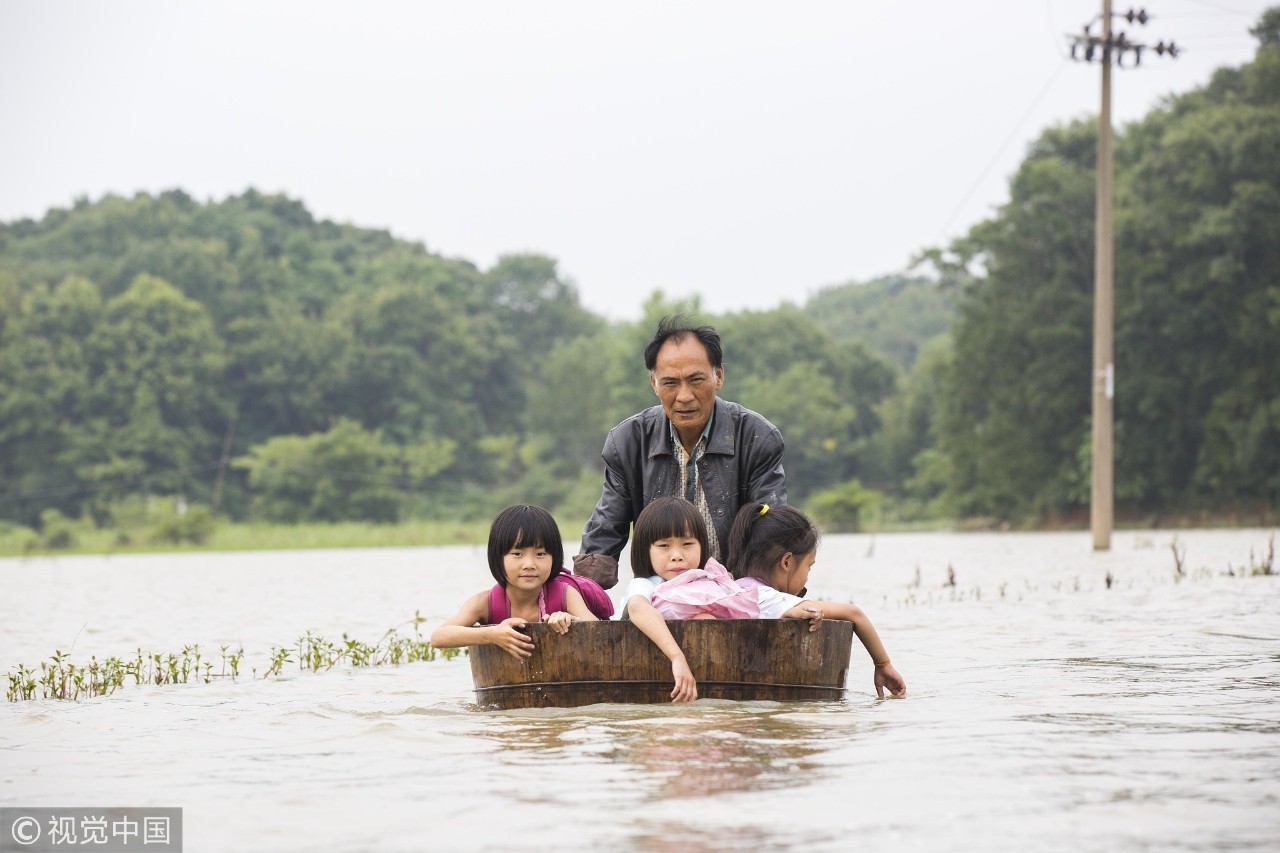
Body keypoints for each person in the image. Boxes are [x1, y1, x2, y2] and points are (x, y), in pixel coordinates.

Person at [575, 315, 787, 590]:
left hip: (736, 595)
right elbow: (602, 537)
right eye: (671, 383)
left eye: (696, 380)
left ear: (718, 376)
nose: (684, 396)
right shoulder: (628, 442)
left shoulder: (756, 438)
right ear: (654, 383)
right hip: (658, 597)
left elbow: (773, 538)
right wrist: (581, 601)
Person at [725, 501, 908, 699]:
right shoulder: (768, 598)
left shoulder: (732, 587)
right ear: (786, 562)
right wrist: (883, 665)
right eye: (809, 566)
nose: (807, 576)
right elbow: (853, 613)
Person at [613, 497, 746, 702]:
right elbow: (637, 607)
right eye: (664, 546)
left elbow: (748, 600)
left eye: (687, 544)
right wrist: (677, 657)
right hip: (649, 675)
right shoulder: (647, 585)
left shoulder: (710, 583)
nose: (677, 555)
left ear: (702, 546)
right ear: (645, 551)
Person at [431, 504, 599, 660]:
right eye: (517, 554)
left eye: (540, 554)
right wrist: (493, 634)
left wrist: (572, 621)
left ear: (554, 558)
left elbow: (599, 631)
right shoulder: (484, 602)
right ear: (498, 558)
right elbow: (438, 637)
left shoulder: (565, 594)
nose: (529, 565)